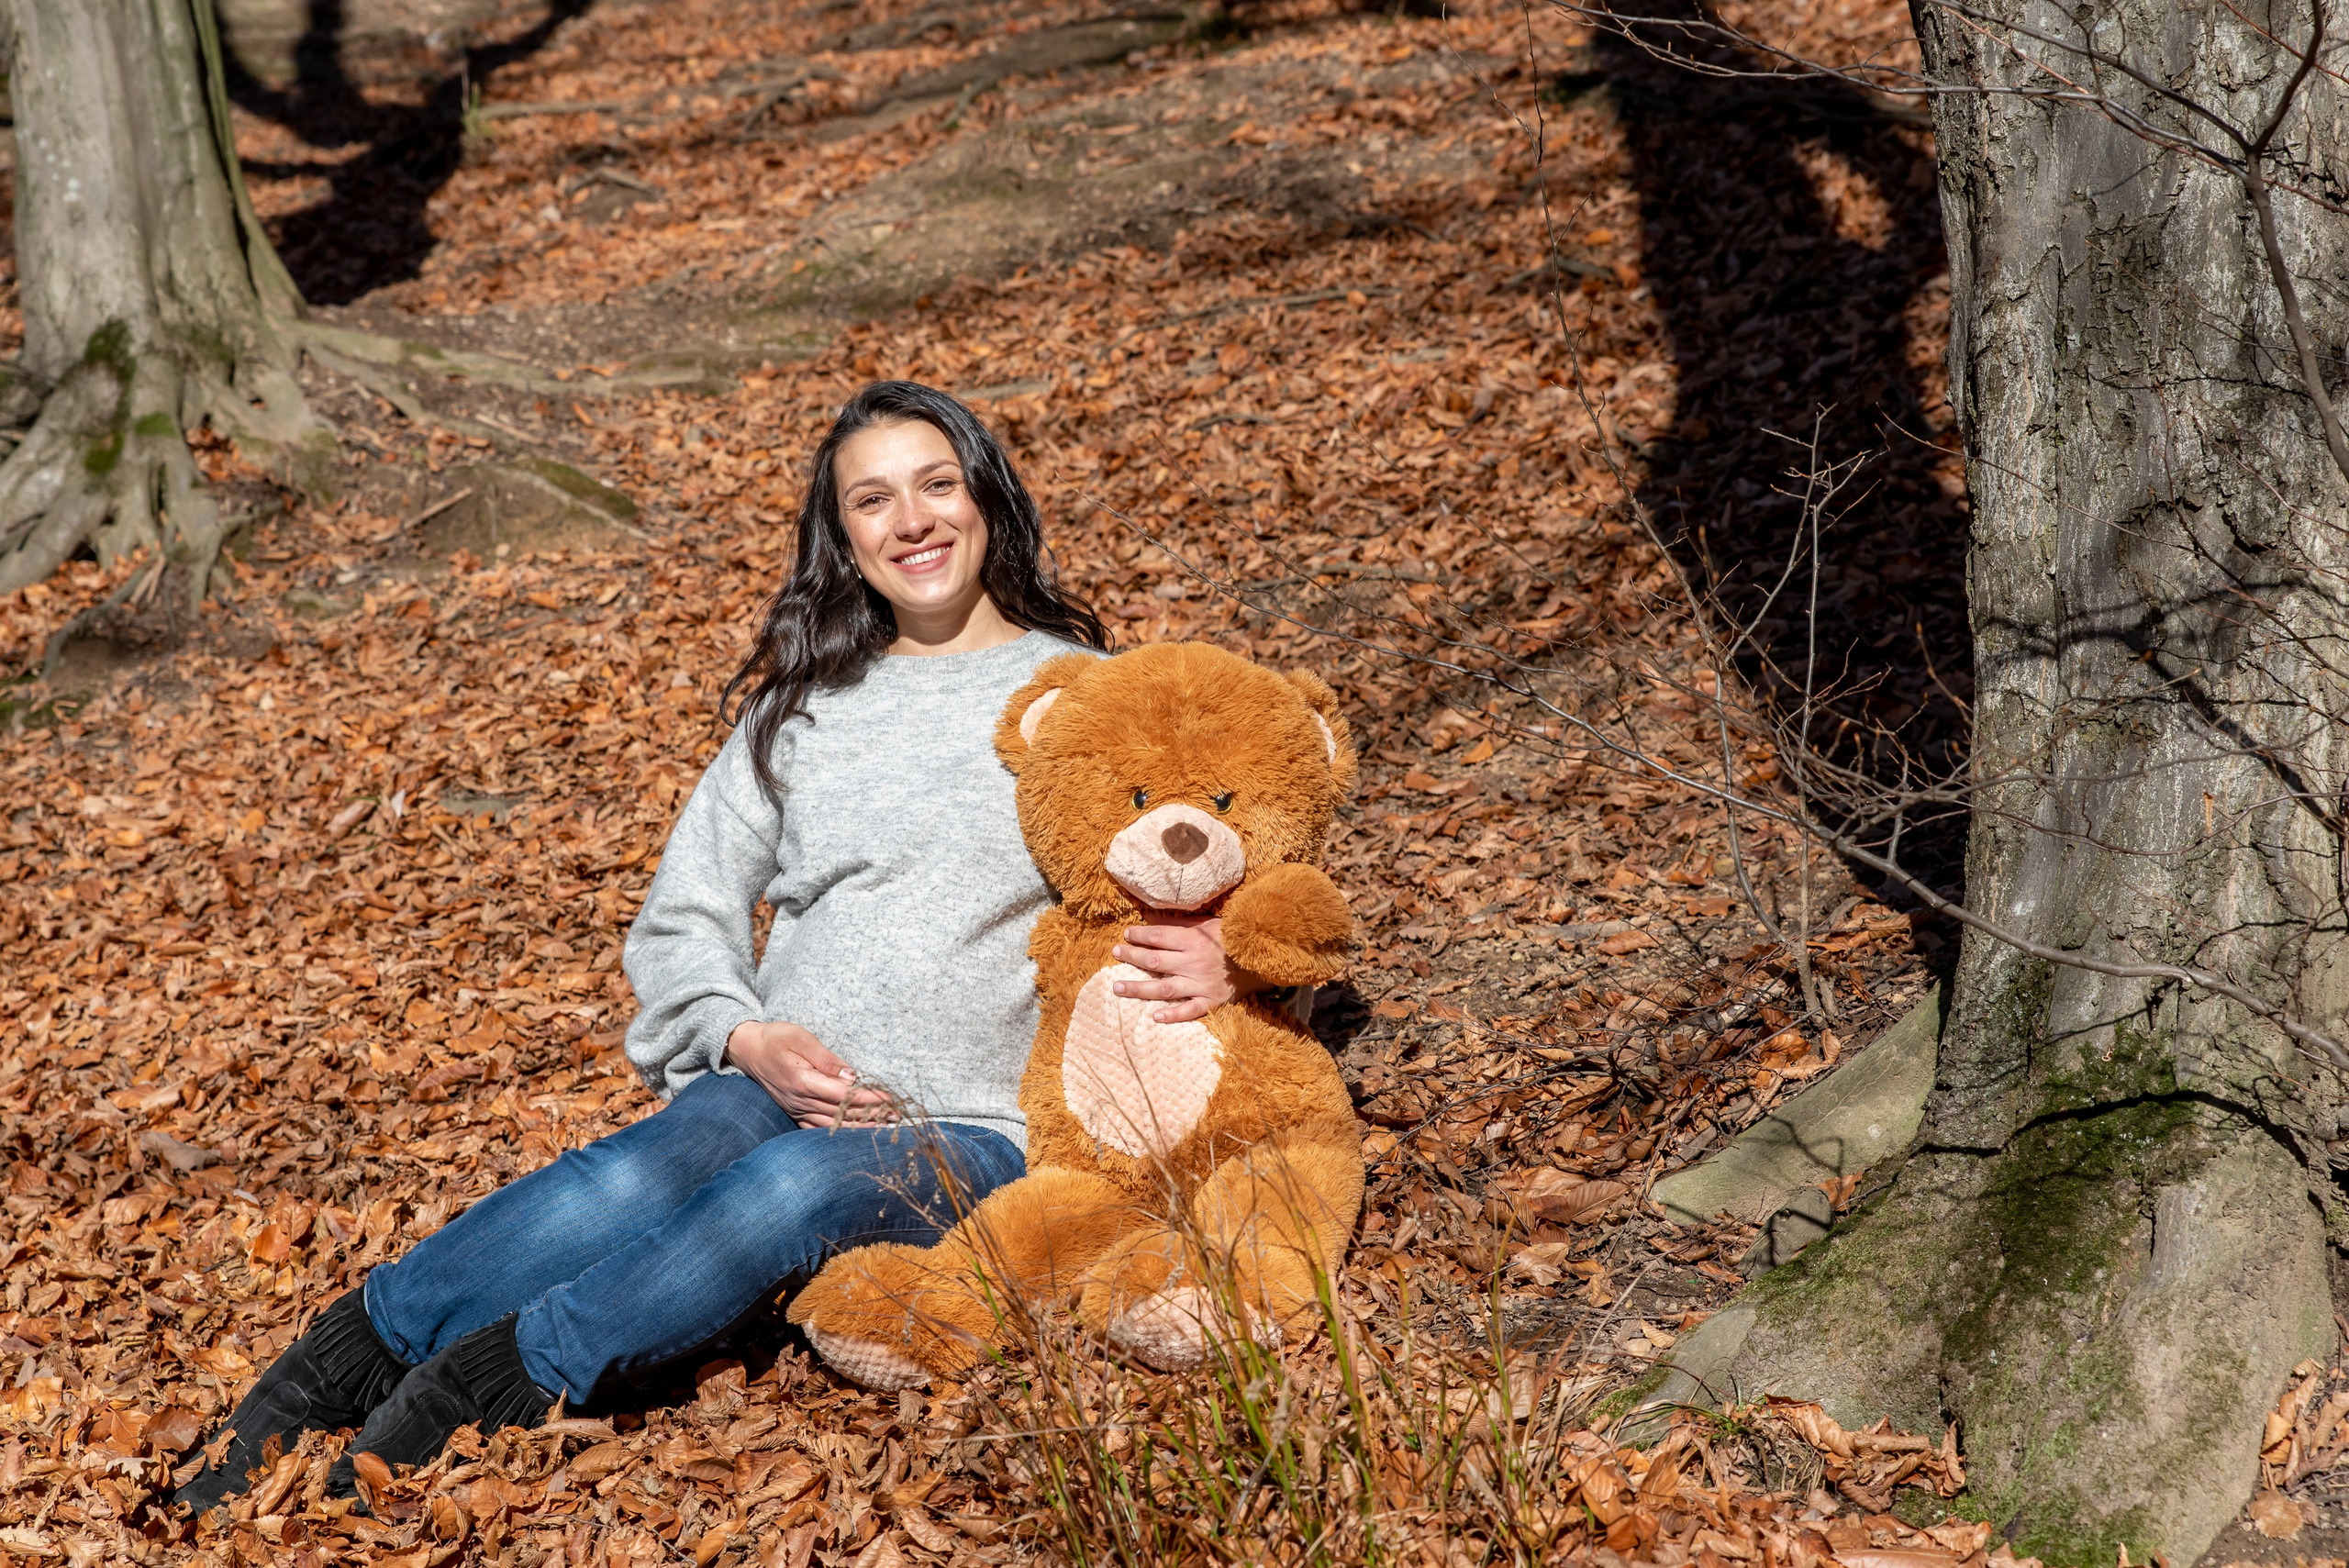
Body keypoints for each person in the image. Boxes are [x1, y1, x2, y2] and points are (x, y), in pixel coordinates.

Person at [175, 382, 1262, 1511]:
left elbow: (1227, 843)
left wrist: (1229, 957)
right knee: (637, 1167)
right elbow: (686, 912)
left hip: (979, 1129)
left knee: (793, 1182)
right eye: (874, 500)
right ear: (843, 538)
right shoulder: (801, 711)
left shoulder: (1089, 697)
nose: (914, 521)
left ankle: (485, 1386)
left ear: (986, 497)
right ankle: (335, 1366)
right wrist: (743, 1031)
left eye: (938, 484)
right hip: (786, 1088)